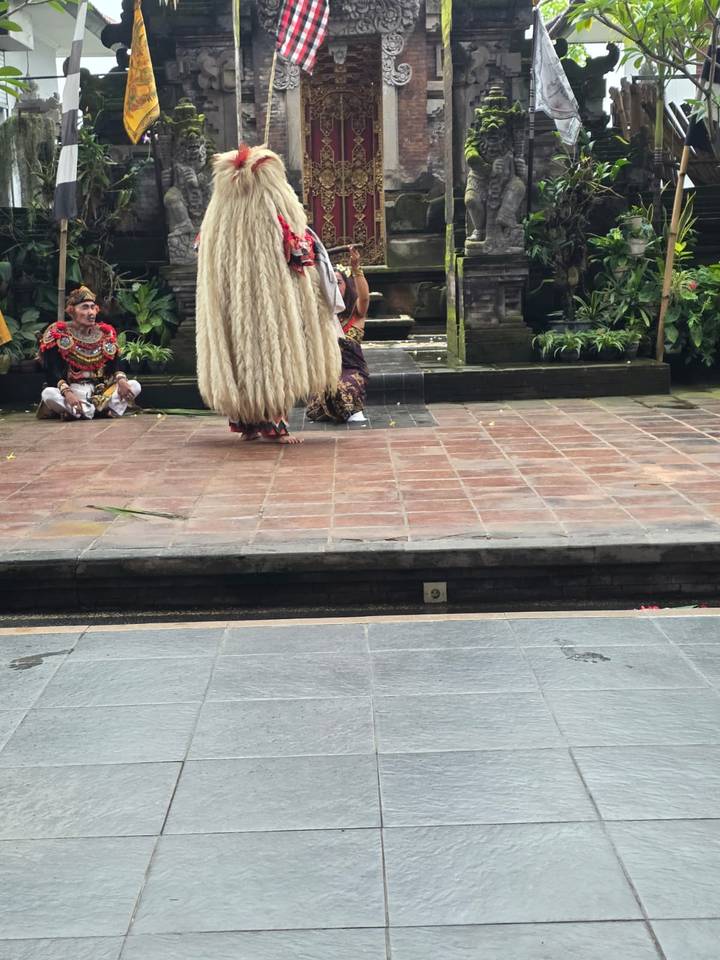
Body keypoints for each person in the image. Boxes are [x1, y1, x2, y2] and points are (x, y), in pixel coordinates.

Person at [195, 144, 341, 445]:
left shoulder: (217, 213)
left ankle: (246, 423)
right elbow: (297, 251)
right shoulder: (274, 204)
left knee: (237, 350)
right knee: (274, 352)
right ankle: (274, 423)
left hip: (231, 298)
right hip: (270, 298)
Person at [37, 286, 141, 420]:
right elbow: (52, 371)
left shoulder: (105, 333)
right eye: (85, 307)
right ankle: (96, 410)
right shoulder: (58, 333)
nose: (91, 312)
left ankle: (82, 412)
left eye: (93, 307)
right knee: (48, 394)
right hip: (74, 391)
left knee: (134, 386)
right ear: (71, 310)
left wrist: (121, 381)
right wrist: (67, 393)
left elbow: (115, 365)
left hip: (102, 391)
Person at [306, 244, 370, 424]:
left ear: (347, 286)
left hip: (352, 371)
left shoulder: (356, 313)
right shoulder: (324, 316)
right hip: (329, 371)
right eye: (331, 283)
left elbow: (364, 298)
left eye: (339, 282)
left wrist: (356, 268)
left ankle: (353, 408)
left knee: (341, 388)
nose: (335, 287)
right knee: (316, 403)